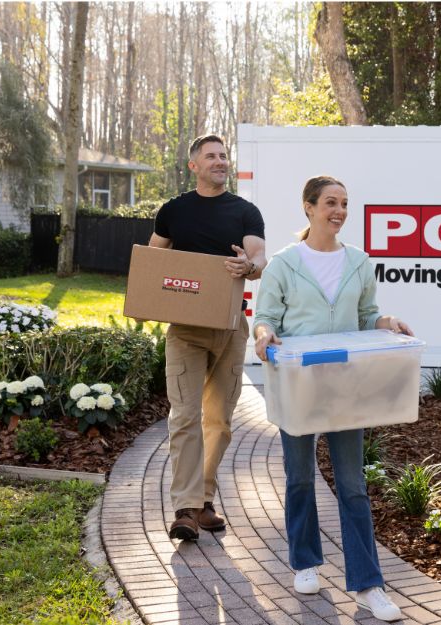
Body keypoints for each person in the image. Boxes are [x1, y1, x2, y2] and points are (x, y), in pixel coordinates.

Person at [253, 176, 411, 622]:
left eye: (344, 204)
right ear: (308, 208)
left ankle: (368, 584)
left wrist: (387, 321)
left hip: (345, 383)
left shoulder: (359, 262)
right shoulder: (284, 264)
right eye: (329, 203)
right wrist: (264, 333)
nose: (338, 211)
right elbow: (264, 317)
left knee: (353, 485)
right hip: (298, 382)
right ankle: (305, 561)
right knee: (299, 477)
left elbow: (365, 316)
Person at [149, 134, 266, 541]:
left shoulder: (245, 211)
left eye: (223, 156)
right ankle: (184, 508)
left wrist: (247, 265)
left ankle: (203, 499)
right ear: (193, 165)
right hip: (185, 331)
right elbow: (154, 260)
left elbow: (258, 256)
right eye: (211, 156)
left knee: (219, 420)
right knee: (184, 417)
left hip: (232, 328)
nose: (220, 161)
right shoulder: (173, 212)